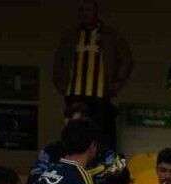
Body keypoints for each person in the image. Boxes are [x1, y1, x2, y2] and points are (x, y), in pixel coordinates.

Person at [27, 102, 130, 184]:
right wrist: (71, 179)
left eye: (81, 123)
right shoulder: (52, 151)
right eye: (73, 123)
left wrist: (111, 172)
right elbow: (34, 180)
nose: (77, 128)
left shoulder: (100, 151)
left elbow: (123, 176)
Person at [52, 0, 132, 150]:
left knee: (99, 132)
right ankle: (73, 157)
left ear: (96, 12)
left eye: (89, 10)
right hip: (74, 92)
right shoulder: (71, 35)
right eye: (82, 10)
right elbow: (59, 59)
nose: (86, 14)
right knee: (74, 131)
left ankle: (98, 159)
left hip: (99, 94)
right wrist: (60, 83)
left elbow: (126, 59)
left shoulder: (110, 35)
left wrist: (116, 84)